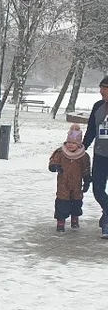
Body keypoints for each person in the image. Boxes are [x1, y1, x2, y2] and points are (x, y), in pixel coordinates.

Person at [49, 125, 91, 233]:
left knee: (76, 202)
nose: (70, 145)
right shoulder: (60, 153)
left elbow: (86, 169)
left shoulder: (83, 156)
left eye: (73, 143)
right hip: (63, 183)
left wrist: (87, 180)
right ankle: (60, 221)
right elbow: (53, 162)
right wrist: (55, 166)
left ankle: (75, 218)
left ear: (79, 144)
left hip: (77, 184)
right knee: (62, 203)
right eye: (69, 142)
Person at [83, 76, 108, 238]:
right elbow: (92, 129)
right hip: (100, 154)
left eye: (104, 88)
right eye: (100, 88)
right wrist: (82, 146)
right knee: (97, 189)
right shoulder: (98, 106)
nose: (100, 91)